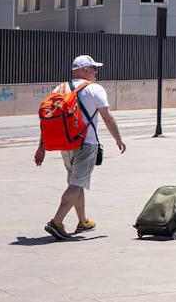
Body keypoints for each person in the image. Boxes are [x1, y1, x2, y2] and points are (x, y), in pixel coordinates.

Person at [35, 55, 128, 240]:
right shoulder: (95, 89)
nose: (96, 71)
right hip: (86, 143)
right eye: (93, 68)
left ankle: (83, 221)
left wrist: (42, 147)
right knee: (77, 183)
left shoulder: (59, 88)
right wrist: (118, 139)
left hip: (65, 143)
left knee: (76, 182)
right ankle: (57, 221)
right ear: (84, 70)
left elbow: (48, 121)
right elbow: (107, 117)